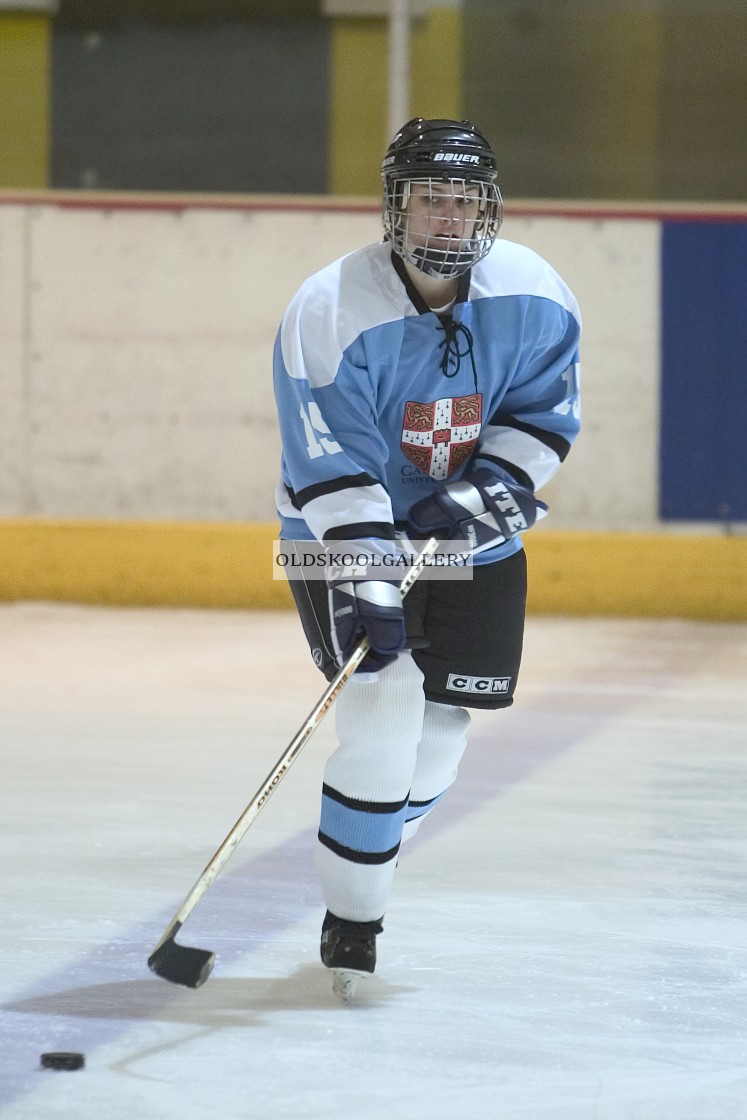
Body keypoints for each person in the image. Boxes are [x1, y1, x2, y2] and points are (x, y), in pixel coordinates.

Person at [272, 118, 581, 1000]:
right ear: (394, 204)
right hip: (336, 534)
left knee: (440, 733)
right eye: (429, 196)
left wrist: (482, 493)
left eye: (464, 198)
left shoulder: (534, 292)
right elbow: (325, 458)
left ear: (487, 206)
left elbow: (545, 414)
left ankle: (363, 846)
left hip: (472, 537)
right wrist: (370, 564)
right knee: (381, 705)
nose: (448, 216)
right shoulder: (328, 310)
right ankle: (353, 923)